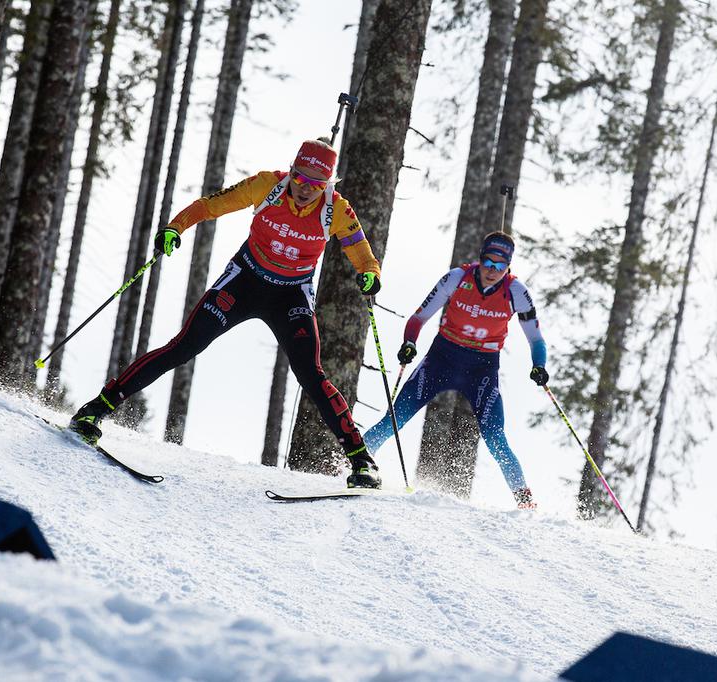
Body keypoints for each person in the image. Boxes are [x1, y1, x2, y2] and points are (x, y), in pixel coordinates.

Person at [69, 139, 382, 488]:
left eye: (315, 184)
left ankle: (361, 461)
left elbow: (360, 250)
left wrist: (370, 273)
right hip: (244, 281)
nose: (305, 188)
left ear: (327, 186)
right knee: (185, 346)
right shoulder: (267, 185)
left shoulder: (336, 209)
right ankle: (95, 409)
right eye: (299, 178)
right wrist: (175, 227)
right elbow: (210, 206)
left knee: (311, 372)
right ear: (291, 172)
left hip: (291, 294)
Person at [362, 232, 548, 508]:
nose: (492, 271)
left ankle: (525, 501)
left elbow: (536, 339)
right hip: (442, 359)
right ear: (480, 258)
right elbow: (418, 317)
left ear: (508, 267)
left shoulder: (516, 293)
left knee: (495, 437)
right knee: (396, 418)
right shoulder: (457, 278)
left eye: (500, 266)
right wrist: (409, 343)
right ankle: (355, 463)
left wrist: (539, 366)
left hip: (482, 370)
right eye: (488, 262)